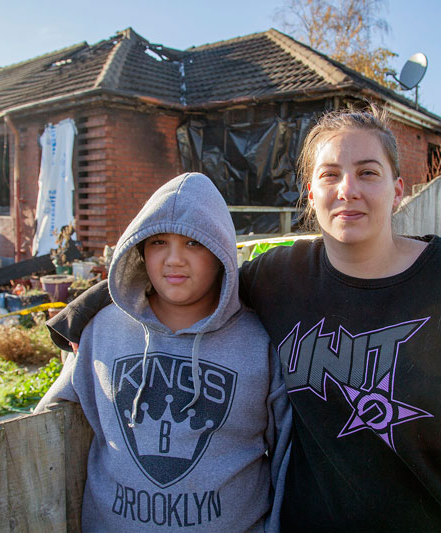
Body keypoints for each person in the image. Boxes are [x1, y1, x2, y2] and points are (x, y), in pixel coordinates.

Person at [55, 107, 441, 531]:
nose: (348, 189)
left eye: (368, 172)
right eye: (330, 174)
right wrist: (87, 308)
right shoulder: (280, 277)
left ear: (398, 189)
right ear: (311, 194)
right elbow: (196, 272)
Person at [37, 172, 291, 532]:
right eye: (158, 242)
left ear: (220, 251)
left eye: (193, 243)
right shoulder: (102, 330)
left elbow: (286, 456)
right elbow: (45, 423)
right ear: (139, 248)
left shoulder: (259, 340)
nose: (173, 259)